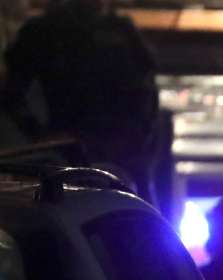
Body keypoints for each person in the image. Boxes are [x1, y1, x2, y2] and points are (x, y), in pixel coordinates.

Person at [1, 0, 158, 199]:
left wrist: (139, 139)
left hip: (120, 151)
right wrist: (41, 136)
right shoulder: (45, 31)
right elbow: (13, 94)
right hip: (71, 151)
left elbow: (146, 91)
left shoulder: (121, 31)